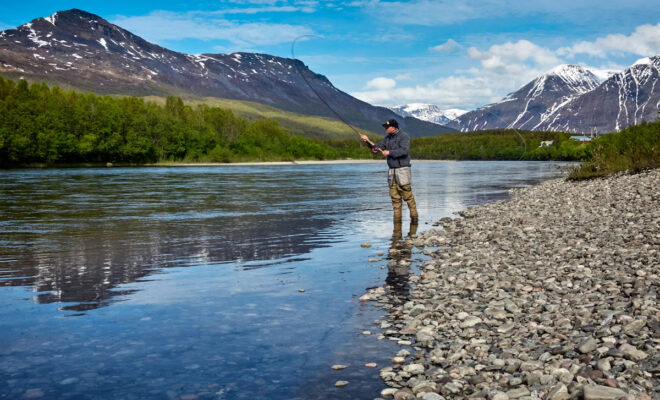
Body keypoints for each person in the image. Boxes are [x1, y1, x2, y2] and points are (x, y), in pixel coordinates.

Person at [360, 119, 419, 223]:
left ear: (394, 127)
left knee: (408, 197)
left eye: (387, 127)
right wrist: (367, 141)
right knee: (395, 199)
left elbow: (404, 151)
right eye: (385, 127)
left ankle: (414, 220)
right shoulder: (387, 138)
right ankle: (397, 223)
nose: (385, 129)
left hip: (403, 170)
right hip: (392, 172)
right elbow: (376, 149)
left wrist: (390, 152)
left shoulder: (404, 136)